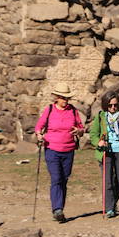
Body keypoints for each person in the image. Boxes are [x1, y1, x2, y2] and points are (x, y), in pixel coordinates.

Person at [34, 82, 85, 223]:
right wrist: (39, 135)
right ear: (56, 97)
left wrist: (79, 131)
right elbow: (39, 127)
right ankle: (57, 209)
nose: (65, 100)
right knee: (56, 178)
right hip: (52, 149)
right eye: (62, 97)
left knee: (64, 178)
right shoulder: (49, 110)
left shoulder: (73, 111)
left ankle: (59, 208)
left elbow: (81, 128)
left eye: (67, 98)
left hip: (69, 150)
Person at [89, 92, 119, 219]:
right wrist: (99, 142)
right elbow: (93, 134)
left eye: (116, 105)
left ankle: (112, 202)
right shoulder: (101, 117)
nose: (113, 108)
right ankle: (109, 208)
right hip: (106, 151)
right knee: (108, 181)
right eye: (110, 106)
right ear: (105, 106)